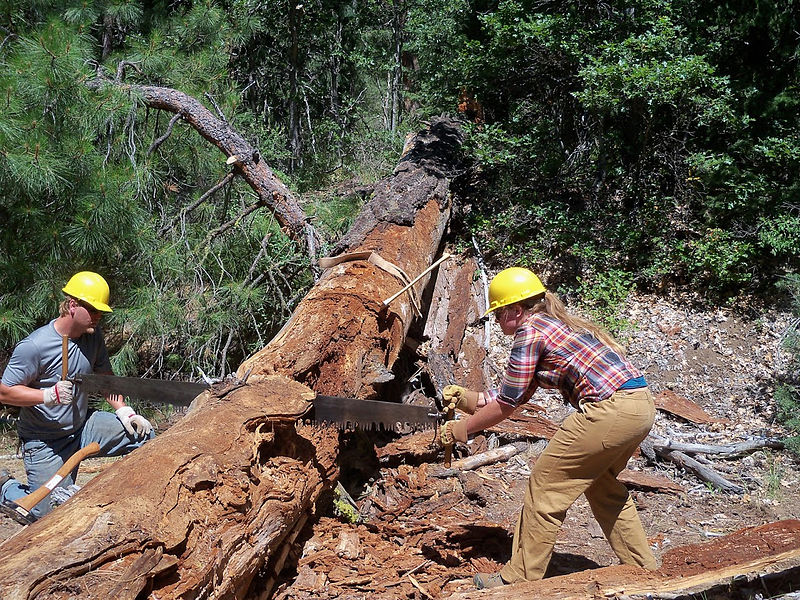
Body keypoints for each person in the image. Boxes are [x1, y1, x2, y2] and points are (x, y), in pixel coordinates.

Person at [439, 267, 657, 588]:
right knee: (601, 486)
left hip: (608, 409)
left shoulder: (530, 332)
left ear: (516, 309)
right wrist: (463, 399)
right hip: (639, 405)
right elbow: (511, 394)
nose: (498, 323)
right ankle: (644, 569)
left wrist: (462, 430)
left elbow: (506, 406)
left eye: (499, 314)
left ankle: (518, 580)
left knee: (544, 487)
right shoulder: (555, 325)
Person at [0, 271, 154, 519]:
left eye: (101, 312)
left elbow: (106, 380)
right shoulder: (35, 346)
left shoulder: (93, 338)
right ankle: (6, 488)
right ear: (73, 305)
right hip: (44, 442)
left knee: (144, 435)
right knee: (44, 515)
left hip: (83, 428)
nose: (98, 317)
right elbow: (5, 392)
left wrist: (124, 412)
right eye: (93, 311)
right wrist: (47, 396)